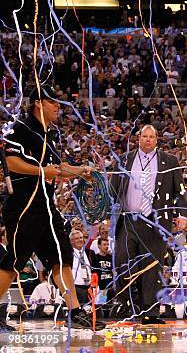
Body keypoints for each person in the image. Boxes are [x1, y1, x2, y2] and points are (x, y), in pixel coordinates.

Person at [0, 85, 104, 330]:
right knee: (15, 262)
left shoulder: (50, 134)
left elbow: (57, 167)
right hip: (24, 206)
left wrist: (82, 172)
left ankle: (75, 312)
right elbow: (11, 161)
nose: (59, 107)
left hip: (47, 207)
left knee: (62, 258)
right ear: (38, 103)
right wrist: (41, 171)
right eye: (54, 102)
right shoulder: (21, 129)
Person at [110, 124, 187, 324]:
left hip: (156, 221)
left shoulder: (169, 161)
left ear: (156, 140)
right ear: (139, 138)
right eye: (144, 136)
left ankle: (150, 311)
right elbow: (114, 189)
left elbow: (179, 191)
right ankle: (127, 306)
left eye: (151, 137)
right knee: (123, 262)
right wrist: (106, 214)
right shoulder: (125, 159)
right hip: (128, 219)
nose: (147, 139)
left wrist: (182, 214)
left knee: (153, 266)